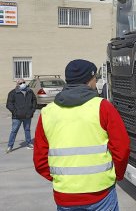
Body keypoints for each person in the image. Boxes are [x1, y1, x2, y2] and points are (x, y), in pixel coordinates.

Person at [33, 59, 130, 211]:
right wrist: (115, 175)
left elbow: (40, 159)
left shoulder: (47, 112)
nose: (96, 81)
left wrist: (60, 179)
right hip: (101, 193)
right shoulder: (102, 107)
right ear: (89, 80)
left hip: (65, 195)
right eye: (95, 78)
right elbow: (121, 148)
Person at [6, 78, 37, 153]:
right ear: (17, 84)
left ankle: (29, 143)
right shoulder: (13, 93)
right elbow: (9, 104)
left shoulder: (30, 91)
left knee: (27, 130)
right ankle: (10, 146)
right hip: (17, 116)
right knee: (14, 131)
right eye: (20, 83)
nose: (22, 84)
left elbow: (34, 101)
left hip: (27, 115)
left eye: (23, 82)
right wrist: (15, 112)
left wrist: (32, 110)